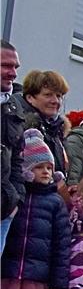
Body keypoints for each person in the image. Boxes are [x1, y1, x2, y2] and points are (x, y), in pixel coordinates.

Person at [1, 130, 71, 289]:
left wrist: (59, 278)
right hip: (8, 269)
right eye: (39, 166)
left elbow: (62, 244)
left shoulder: (54, 202)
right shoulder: (14, 197)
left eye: (49, 167)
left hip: (37, 274)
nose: (45, 172)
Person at [17, 70, 70, 176]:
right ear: (30, 98)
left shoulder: (55, 129)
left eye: (58, 96)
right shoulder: (21, 127)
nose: (55, 101)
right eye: (48, 95)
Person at [1, 40, 25, 255]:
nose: (13, 73)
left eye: (15, 67)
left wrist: (16, 198)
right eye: (6, 66)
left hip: (3, 212)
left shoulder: (12, 108)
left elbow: (17, 158)